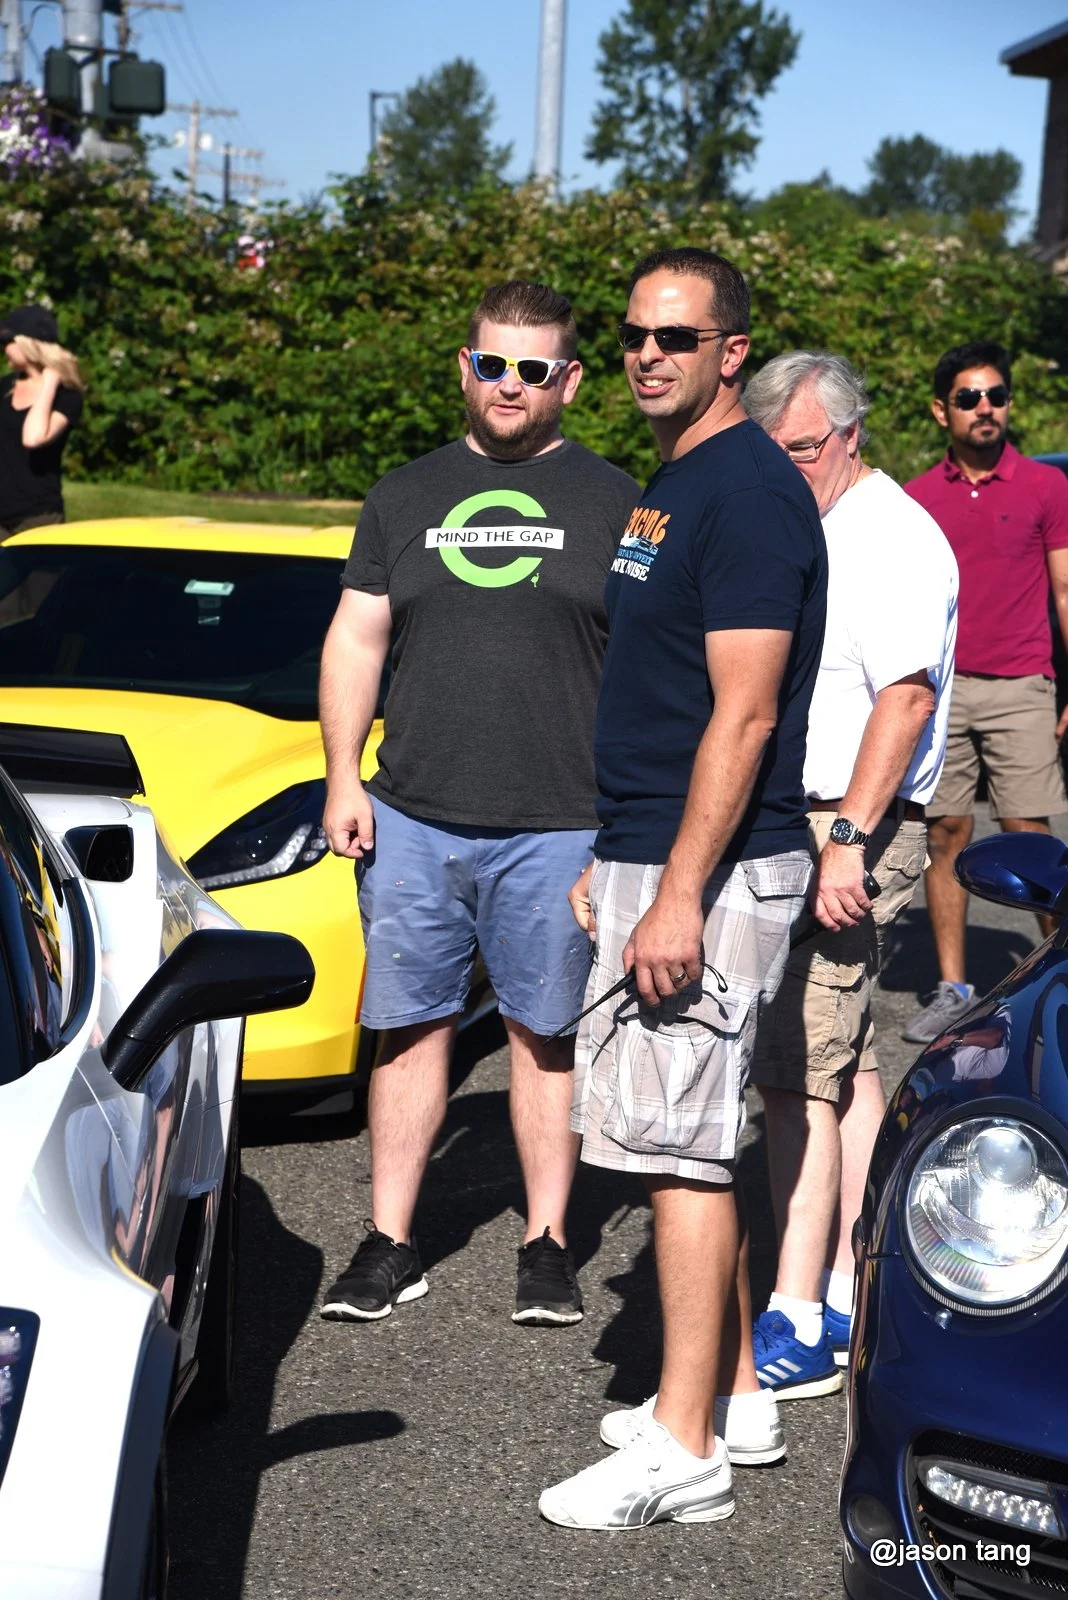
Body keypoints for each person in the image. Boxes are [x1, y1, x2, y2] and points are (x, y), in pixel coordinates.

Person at [539, 248, 826, 1532]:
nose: (649, 355)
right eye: (636, 334)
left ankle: (683, 1445)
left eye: (678, 337)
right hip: (655, 847)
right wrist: (620, 855)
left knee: (677, 1156)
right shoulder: (679, 479)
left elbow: (745, 712)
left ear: (731, 352)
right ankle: (737, 1395)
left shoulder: (749, 493)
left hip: (705, 867)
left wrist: (675, 894)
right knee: (695, 1134)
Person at [318, 280, 639, 1328]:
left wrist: (631, 823)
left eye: (533, 369)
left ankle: (546, 1242)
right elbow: (356, 638)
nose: (510, 385)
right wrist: (343, 774)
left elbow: (655, 670)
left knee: (544, 1034)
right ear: (465, 367)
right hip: (413, 814)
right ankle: (389, 1241)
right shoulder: (403, 494)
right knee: (409, 1029)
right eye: (493, 364)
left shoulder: (621, 501)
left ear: (569, 381)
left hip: (562, 823)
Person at [742, 351, 957, 1395]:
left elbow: (905, 699)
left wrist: (848, 840)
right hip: (810, 819)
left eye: (802, 449)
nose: (785, 468)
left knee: (796, 1071)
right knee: (848, 1065)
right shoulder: (814, 518)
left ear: (852, 434)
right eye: (770, 451)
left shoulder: (894, 536)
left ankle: (797, 1321)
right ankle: (854, 1284)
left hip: (851, 826)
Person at [903, 342, 1068, 1043]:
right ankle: (954, 988)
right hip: (942, 691)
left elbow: (1065, 589)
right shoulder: (917, 496)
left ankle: (1059, 975)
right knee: (946, 833)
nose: (985, 409)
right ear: (942, 410)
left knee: (1031, 836)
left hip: (1023, 685)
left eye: (996, 395)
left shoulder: (1045, 486)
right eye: (969, 398)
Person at [0, 305, 85, 538]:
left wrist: (48, 383)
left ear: (28, 343)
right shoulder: (4, 386)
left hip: (37, 518)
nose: (3, 348)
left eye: (7, 341)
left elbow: (34, 437)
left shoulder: (67, 396)